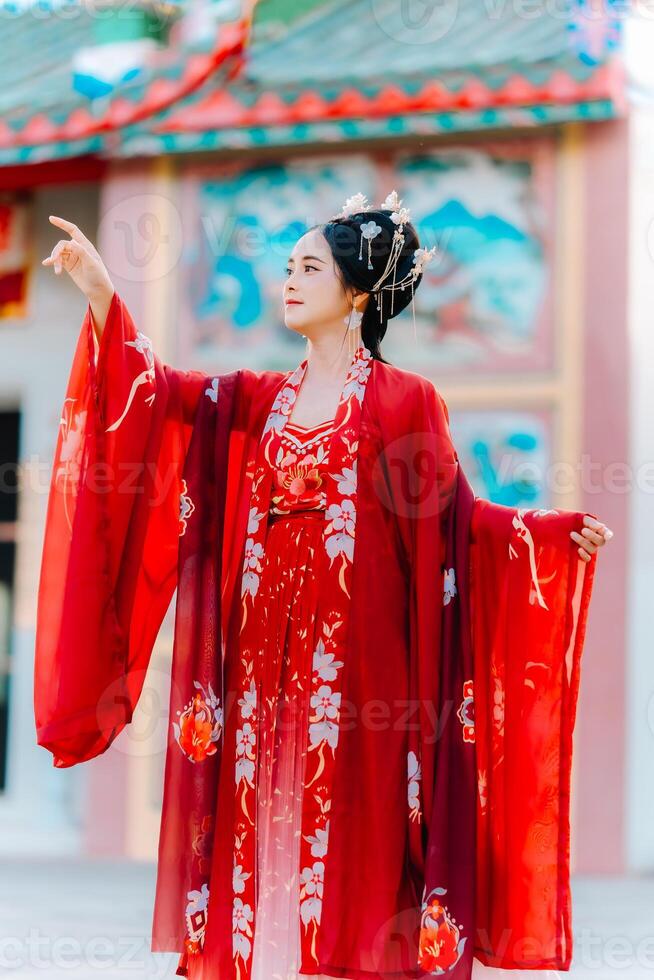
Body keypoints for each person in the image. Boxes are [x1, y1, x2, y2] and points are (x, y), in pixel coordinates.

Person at [34, 192, 612, 980]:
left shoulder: (406, 401)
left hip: (359, 679)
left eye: (310, 267)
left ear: (359, 291)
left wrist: (541, 532)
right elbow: (156, 389)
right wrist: (102, 289)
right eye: (287, 268)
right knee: (258, 835)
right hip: (258, 669)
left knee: (348, 854)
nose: (290, 281)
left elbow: (454, 518)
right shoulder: (257, 398)